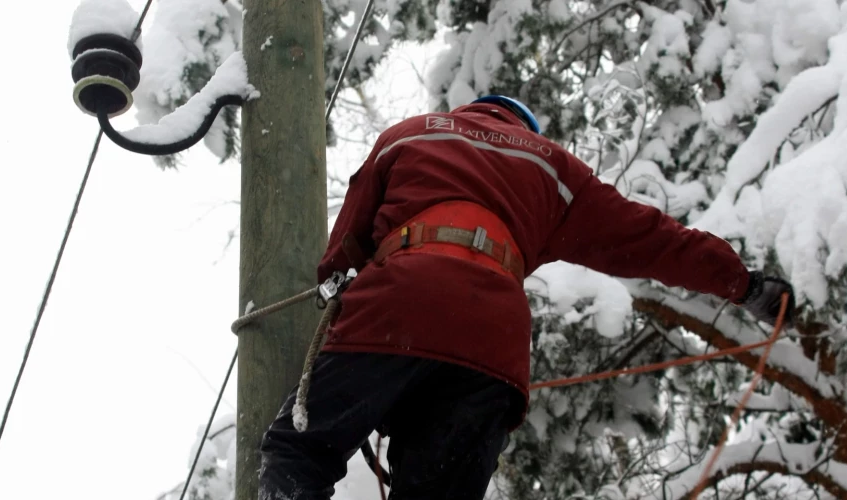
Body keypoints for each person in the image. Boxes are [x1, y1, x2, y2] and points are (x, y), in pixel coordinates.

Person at [257, 96, 795, 500]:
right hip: (491, 342)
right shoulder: (554, 169)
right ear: (524, 128)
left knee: (299, 453)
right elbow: (651, 240)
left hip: (398, 300)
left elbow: (344, 250)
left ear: (474, 112)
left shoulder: (410, 135)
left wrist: (344, 302)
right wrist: (745, 285)